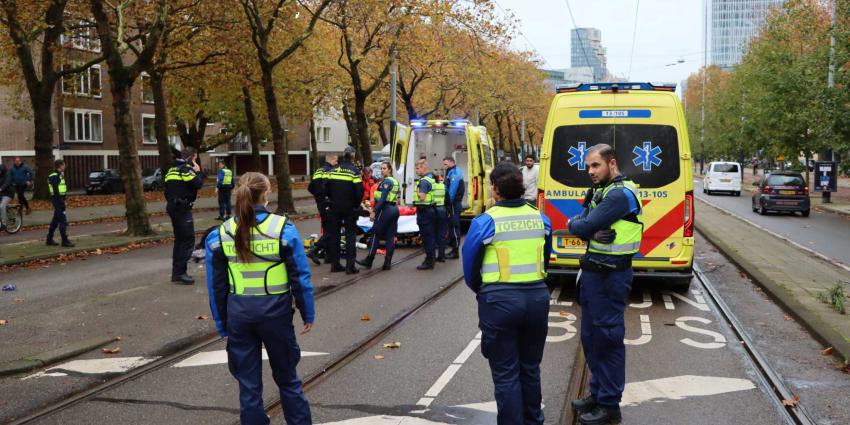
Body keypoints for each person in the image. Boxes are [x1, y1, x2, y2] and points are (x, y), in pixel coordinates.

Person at [205, 172, 315, 425]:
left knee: (248, 385)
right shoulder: (282, 229)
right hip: (275, 315)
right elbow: (300, 276)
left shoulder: (220, 234)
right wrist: (307, 312)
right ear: (266, 194)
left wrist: (222, 323)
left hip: (239, 316)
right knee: (288, 379)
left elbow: (216, 286)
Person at [462, 162, 552, 425]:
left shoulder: (486, 221)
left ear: (496, 189)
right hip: (537, 298)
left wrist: (484, 290)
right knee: (530, 368)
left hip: (499, 301)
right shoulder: (540, 217)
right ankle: (534, 421)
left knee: (505, 373)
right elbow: (545, 261)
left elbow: (470, 267)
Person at [566, 144, 642, 425]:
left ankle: (610, 406)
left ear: (612, 163)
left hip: (611, 276)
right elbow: (582, 223)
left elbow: (582, 226)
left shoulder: (620, 194)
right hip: (594, 274)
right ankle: (596, 394)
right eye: (588, 166)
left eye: (595, 165)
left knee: (608, 340)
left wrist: (585, 227)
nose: (590, 172)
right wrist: (586, 227)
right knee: (591, 338)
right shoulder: (601, 191)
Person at [165, 147, 205, 284]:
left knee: (179, 240)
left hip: (173, 206)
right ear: (191, 158)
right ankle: (181, 272)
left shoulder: (171, 170)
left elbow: (167, 188)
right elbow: (198, 184)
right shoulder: (185, 170)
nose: (196, 161)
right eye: (195, 159)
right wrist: (198, 172)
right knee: (187, 240)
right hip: (182, 209)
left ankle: (176, 273)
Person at [324, 146, 363, 274]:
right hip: (349, 208)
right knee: (350, 235)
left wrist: (330, 201)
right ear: (352, 156)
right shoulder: (354, 171)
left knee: (335, 235)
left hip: (334, 207)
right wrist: (355, 205)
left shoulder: (333, 170)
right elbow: (359, 191)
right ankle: (350, 266)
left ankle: (335, 264)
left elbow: (326, 187)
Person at [357, 161, 400, 271]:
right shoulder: (395, 181)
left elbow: (382, 199)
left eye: (384, 168)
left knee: (375, 234)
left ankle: (369, 260)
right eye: (381, 168)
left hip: (385, 210)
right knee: (390, 237)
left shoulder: (386, 182)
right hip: (394, 209)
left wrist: (374, 211)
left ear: (389, 169)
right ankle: (387, 262)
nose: (382, 170)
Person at [306, 155, 338, 265]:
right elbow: (329, 187)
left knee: (327, 228)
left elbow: (310, 187)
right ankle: (314, 250)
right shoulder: (330, 171)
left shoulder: (318, 171)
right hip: (328, 203)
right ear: (332, 160)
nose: (336, 162)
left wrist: (318, 197)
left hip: (320, 203)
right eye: (336, 160)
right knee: (332, 230)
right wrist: (328, 198)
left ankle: (328, 256)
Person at [413, 159, 438, 270]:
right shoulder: (431, 178)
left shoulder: (423, 181)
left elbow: (422, 196)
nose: (416, 171)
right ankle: (431, 259)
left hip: (424, 212)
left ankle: (429, 261)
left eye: (418, 168)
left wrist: (416, 192)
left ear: (424, 168)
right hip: (430, 211)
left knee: (427, 238)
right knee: (430, 237)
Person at [45, 159, 74, 247]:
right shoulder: (55, 176)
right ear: (60, 165)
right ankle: (65, 241)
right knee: (63, 221)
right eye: (64, 165)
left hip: (58, 200)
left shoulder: (57, 175)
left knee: (55, 221)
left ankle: (49, 239)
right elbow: (56, 191)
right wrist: (62, 203)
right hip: (58, 201)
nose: (65, 166)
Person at [443, 156, 464, 259]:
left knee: (454, 227)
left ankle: (455, 251)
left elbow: (452, 191)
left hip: (453, 204)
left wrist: (447, 203)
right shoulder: (451, 171)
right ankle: (453, 249)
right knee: (451, 226)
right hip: (453, 204)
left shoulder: (454, 173)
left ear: (452, 162)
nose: (444, 166)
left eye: (446, 164)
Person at [432, 172, 448, 262]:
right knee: (441, 234)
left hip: (432, 211)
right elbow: (448, 200)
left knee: (432, 234)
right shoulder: (443, 186)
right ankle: (441, 256)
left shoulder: (430, 187)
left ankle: (432, 257)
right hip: (442, 210)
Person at [0, 163, 13, 232]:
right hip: (1, 193)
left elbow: (7, 183)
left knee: (1, 206)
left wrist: (1, 188)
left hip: (8, 194)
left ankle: (4, 224)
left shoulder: (8, 174)